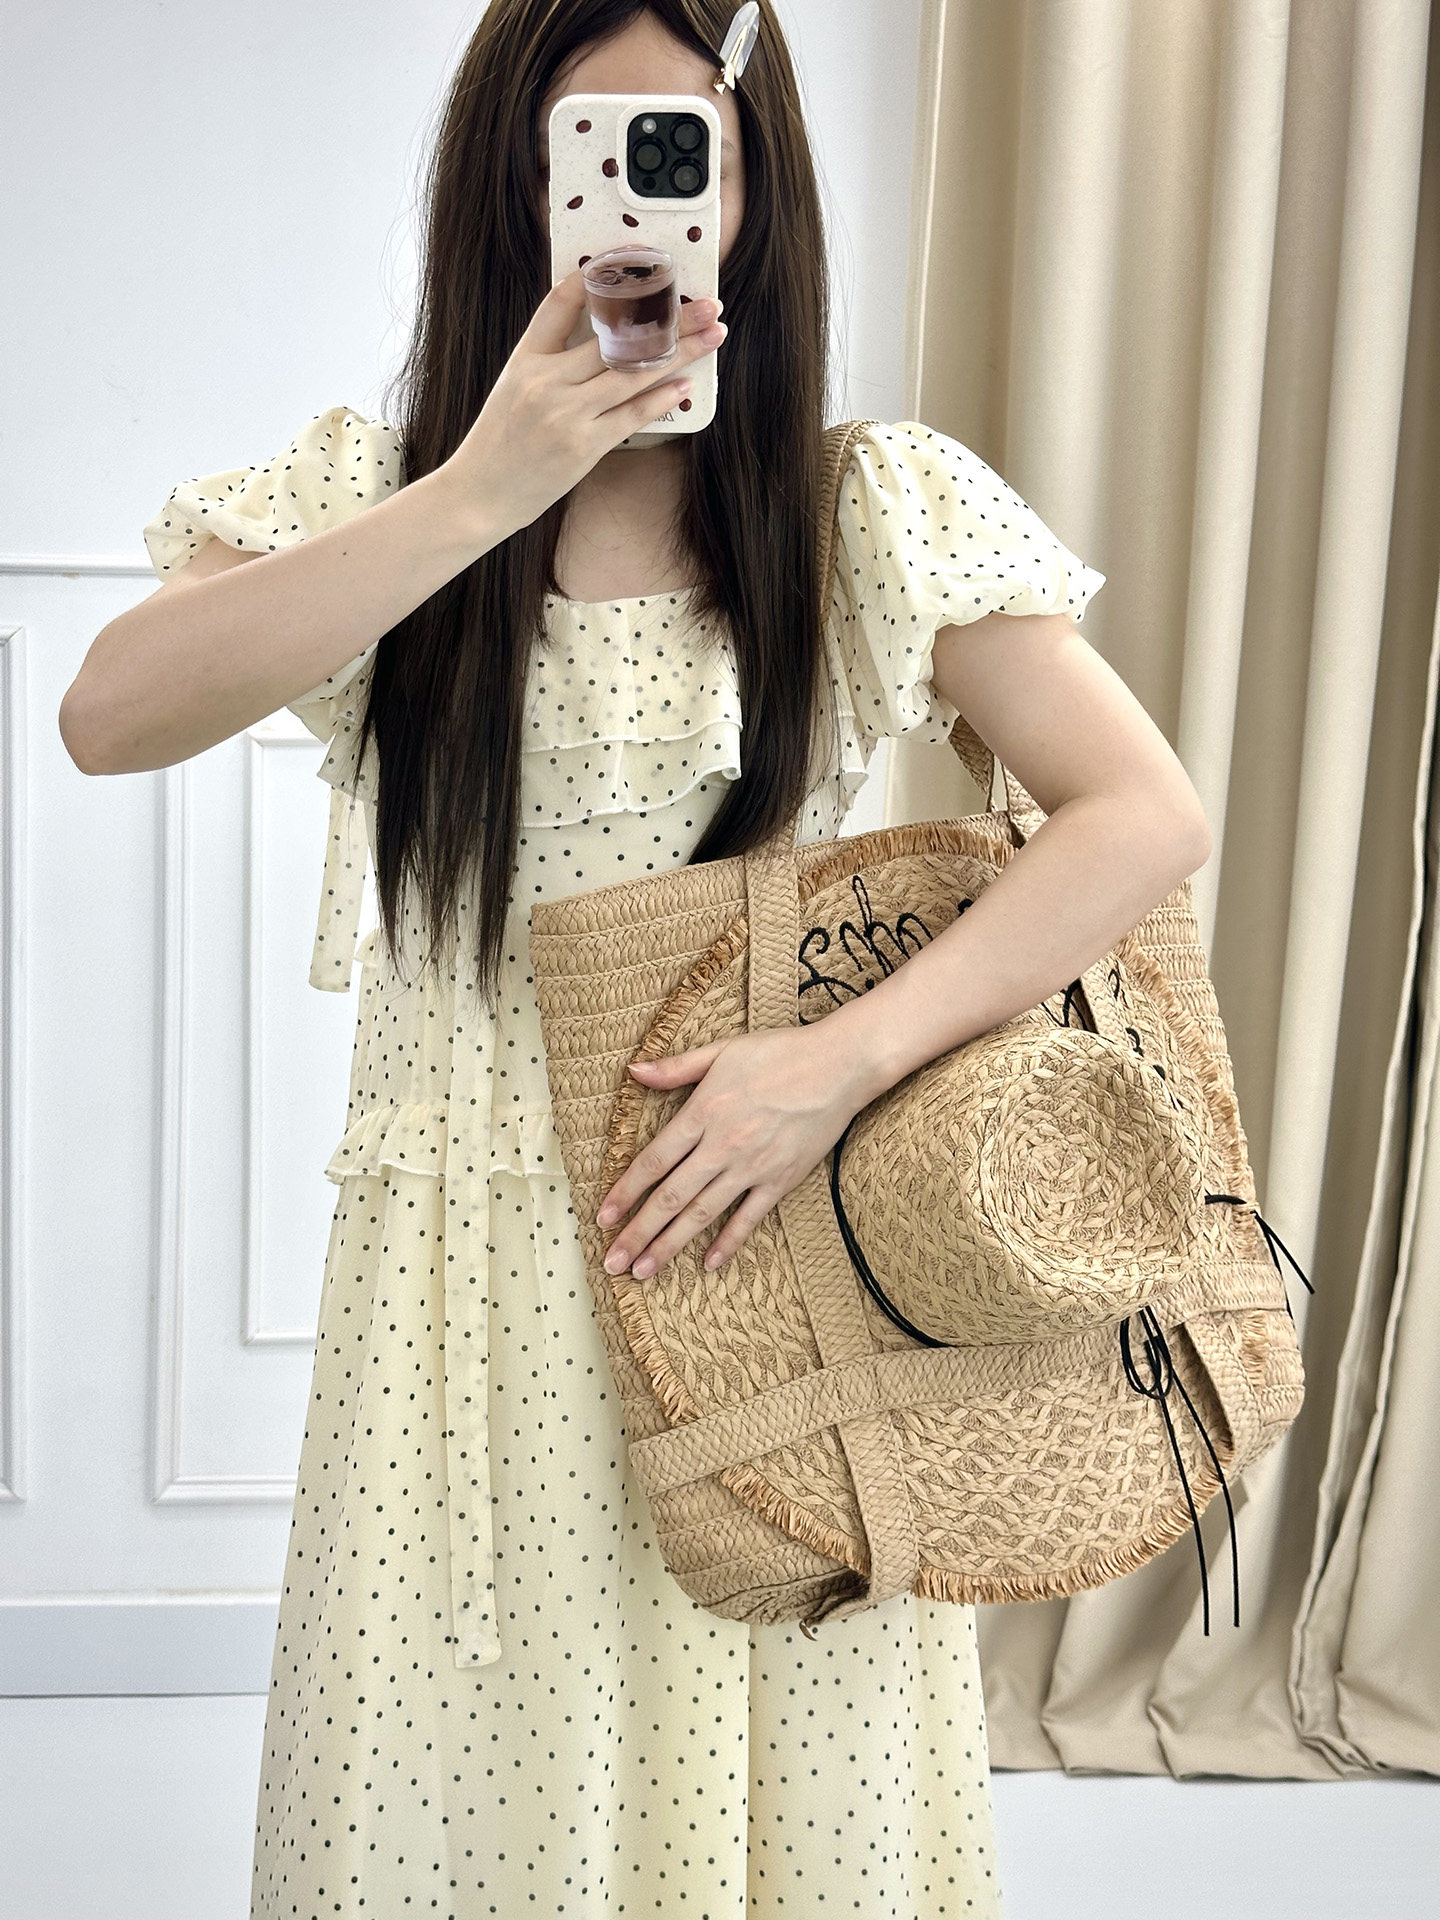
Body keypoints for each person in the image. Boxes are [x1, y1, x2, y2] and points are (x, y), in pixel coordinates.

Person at [61, 4, 1211, 1915]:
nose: (633, 201)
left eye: (688, 153)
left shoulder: (865, 506)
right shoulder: (378, 486)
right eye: (585, 149)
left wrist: (837, 1063)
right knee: (465, 1768)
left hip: (754, 1234)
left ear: (757, 197)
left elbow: (1141, 815)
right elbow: (108, 716)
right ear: (508, 180)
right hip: (461, 1286)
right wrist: (481, 490)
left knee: (781, 1776)